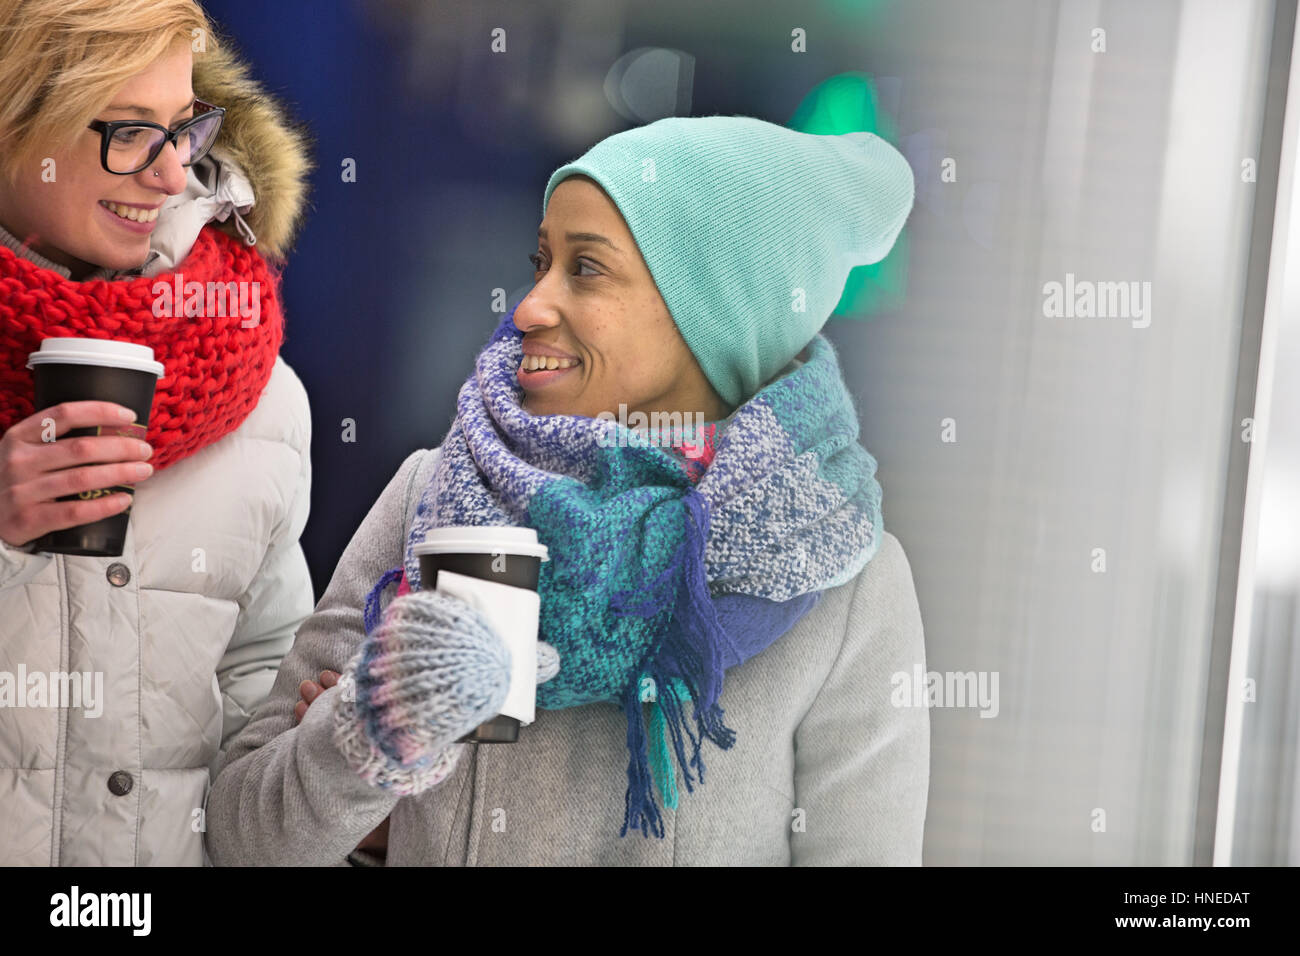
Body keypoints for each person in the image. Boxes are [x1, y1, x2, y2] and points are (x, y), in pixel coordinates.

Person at [207, 114, 929, 866]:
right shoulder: (438, 488)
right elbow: (237, 838)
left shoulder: (845, 584)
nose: (527, 308)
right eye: (541, 260)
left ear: (713, 311)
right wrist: (366, 743)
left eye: (586, 269)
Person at [0, 0, 313, 866]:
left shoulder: (258, 390)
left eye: (185, 129)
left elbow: (257, 700)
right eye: (131, 132)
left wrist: (345, 757)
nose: (175, 175)